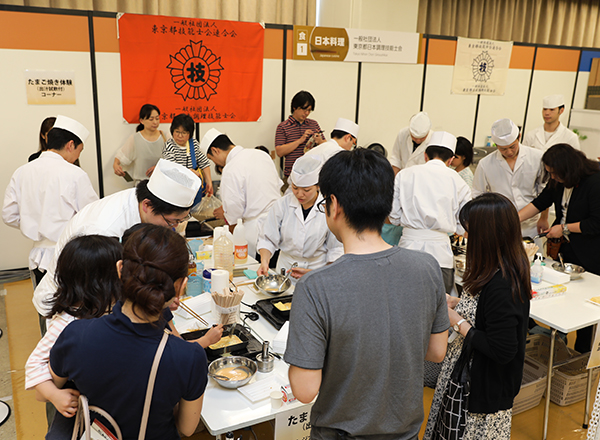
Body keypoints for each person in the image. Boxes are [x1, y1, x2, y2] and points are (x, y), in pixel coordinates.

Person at [285, 148, 449, 439]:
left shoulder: (316, 286)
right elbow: (436, 352)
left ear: (333, 205)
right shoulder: (427, 267)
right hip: (406, 432)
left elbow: (304, 390)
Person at [49, 225, 207, 439]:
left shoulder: (76, 334)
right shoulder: (189, 357)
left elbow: (55, 383)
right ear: (180, 286)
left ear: (120, 269)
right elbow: (187, 428)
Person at [33, 158, 201, 323]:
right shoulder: (105, 230)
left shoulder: (142, 202)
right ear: (147, 205)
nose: (173, 227)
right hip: (76, 306)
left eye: (181, 221)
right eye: (172, 221)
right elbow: (98, 291)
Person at [424, 193, 531, 440]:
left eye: (471, 232)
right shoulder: (495, 268)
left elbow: (502, 349)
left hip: (479, 390)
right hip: (463, 375)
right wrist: (461, 303)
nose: (466, 238)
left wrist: (457, 322)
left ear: (488, 235)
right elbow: (489, 313)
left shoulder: (503, 283)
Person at [25, 235, 122, 430]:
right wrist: (54, 394)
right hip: (80, 405)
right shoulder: (66, 323)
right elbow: (34, 364)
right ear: (102, 282)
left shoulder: (105, 306)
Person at [2, 115, 98, 293]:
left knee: (45, 309)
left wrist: (35, 223)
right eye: (80, 150)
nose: (78, 155)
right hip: (71, 257)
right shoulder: (75, 174)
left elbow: (8, 215)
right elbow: (93, 217)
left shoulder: (22, 172)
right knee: (73, 312)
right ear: (70, 145)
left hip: (38, 259)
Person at [519, 143, 600, 352]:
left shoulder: (594, 182)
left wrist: (563, 228)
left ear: (567, 168)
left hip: (591, 253)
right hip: (567, 250)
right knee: (567, 298)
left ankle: (583, 355)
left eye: (554, 173)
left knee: (586, 306)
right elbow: (540, 202)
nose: (552, 178)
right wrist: (511, 219)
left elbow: (596, 223)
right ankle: (560, 349)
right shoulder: (558, 182)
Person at [389, 131, 471, 294]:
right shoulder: (460, 183)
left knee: (404, 300)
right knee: (439, 306)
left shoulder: (404, 175)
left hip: (408, 248)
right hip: (440, 254)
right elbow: (463, 227)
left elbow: (394, 216)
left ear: (425, 155)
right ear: (450, 160)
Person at [257, 154, 343, 279]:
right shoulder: (282, 205)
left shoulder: (328, 208)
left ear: (318, 186)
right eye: (295, 188)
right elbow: (267, 238)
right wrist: (264, 262)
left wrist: (325, 275)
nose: (299, 194)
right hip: (285, 269)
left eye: (306, 190)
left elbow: (335, 250)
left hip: (317, 269)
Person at [200, 129, 282, 257]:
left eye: (212, 158)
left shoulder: (230, 168)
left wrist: (226, 213)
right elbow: (277, 185)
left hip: (256, 234)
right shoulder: (261, 155)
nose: (215, 163)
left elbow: (234, 214)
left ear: (216, 150)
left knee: (259, 272)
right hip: (280, 224)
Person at [473, 118, 546, 237]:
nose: (509, 152)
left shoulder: (537, 157)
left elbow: (544, 191)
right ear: (496, 145)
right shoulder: (485, 164)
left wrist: (544, 218)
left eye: (512, 147)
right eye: (503, 149)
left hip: (530, 225)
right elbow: (477, 194)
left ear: (519, 137)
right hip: (499, 224)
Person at [275, 91, 324, 189]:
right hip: (291, 176)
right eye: (304, 109)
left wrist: (319, 141)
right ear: (294, 107)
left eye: (309, 110)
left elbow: (325, 146)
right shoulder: (283, 127)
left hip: (313, 175)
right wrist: (299, 141)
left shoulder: (313, 124)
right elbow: (279, 152)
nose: (306, 113)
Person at [162, 113, 213, 197]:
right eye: (177, 132)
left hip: (193, 189)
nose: (180, 136)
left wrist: (209, 181)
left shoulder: (193, 144)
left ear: (190, 133)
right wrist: (190, 173)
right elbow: (172, 170)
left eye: (184, 133)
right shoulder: (170, 146)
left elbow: (204, 163)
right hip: (176, 189)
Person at [113, 103, 165, 182]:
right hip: (142, 185)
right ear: (142, 121)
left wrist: (159, 167)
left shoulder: (165, 137)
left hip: (162, 184)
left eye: (157, 118)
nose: (155, 122)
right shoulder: (135, 138)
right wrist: (116, 165)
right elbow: (121, 156)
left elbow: (173, 161)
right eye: (151, 119)